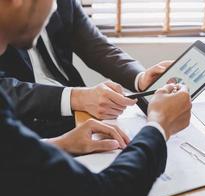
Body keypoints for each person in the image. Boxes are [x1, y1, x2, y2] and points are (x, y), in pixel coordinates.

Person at [0, 0, 192, 196]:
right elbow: (106, 193)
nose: (56, 6)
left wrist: (59, 144)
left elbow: (9, 158)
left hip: (63, 132)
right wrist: (159, 127)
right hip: (30, 121)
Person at [0, 0, 172, 138]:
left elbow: (96, 46)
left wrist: (140, 78)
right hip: (19, 124)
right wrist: (76, 97)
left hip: (78, 116)